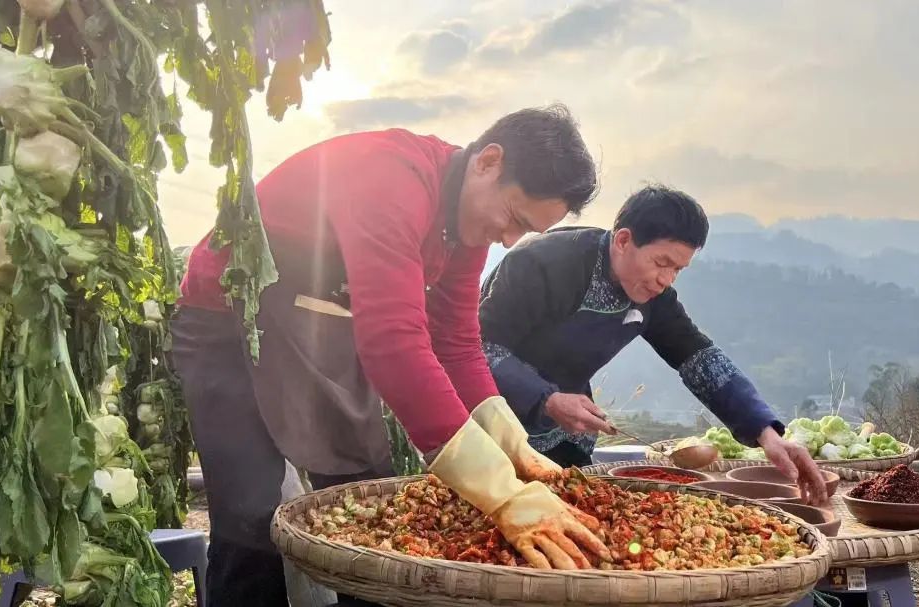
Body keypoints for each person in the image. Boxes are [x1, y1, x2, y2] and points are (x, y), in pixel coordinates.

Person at [172, 105, 612, 607]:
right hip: (229, 321)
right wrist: (502, 494)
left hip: (318, 328)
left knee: (365, 499)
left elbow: (456, 340)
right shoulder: (392, 178)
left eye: (525, 231)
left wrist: (511, 445)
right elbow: (395, 343)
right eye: (512, 217)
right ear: (488, 162)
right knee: (252, 515)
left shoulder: (465, 223)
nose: (509, 239)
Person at [477, 184, 828, 505]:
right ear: (624, 240)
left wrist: (767, 434)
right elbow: (478, 348)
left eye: (678, 269)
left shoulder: (653, 295)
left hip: (566, 438)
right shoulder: (541, 265)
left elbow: (698, 357)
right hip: (489, 430)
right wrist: (548, 399)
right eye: (662, 263)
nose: (666, 279)